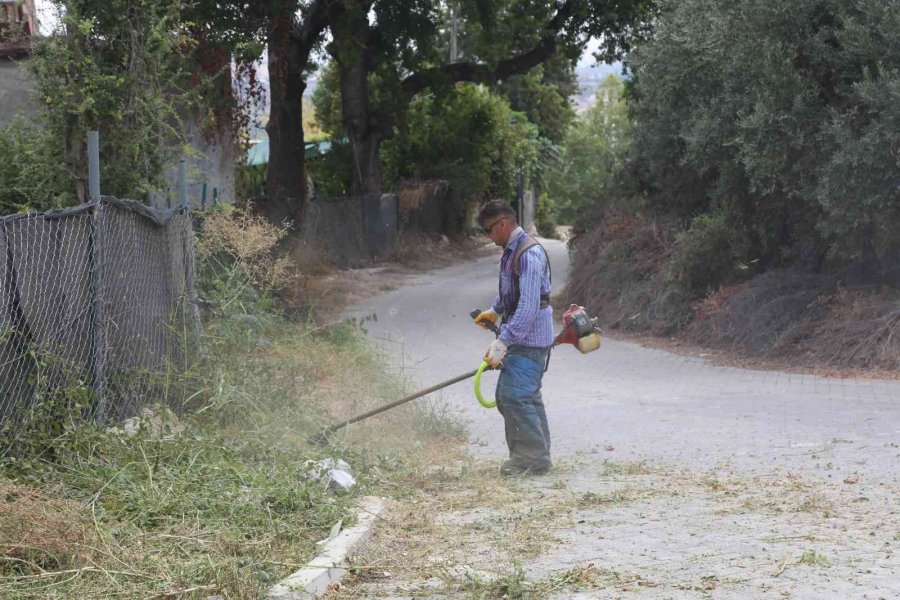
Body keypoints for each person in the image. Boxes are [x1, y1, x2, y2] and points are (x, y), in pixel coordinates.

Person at [474, 200, 553, 476]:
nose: (488, 236)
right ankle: (537, 455)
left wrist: (503, 341)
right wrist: (494, 311)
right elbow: (512, 292)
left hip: (529, 340)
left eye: (488, 230)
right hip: (522, 336)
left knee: (513, 396)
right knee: (524, 396)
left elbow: (529, 305)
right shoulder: (510, 252)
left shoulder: (528, 254)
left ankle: (531, 460)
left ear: (502, 224)